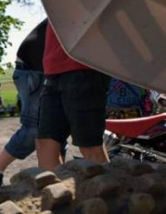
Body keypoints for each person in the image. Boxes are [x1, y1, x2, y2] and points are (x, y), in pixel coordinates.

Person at [0, 19, 58, 186]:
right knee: (33, 128)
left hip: (47, 68)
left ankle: (52, 177)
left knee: (56, 128)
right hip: (33, 70)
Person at [35, 20, 110, 170]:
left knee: (89, 146)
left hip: (85, 67)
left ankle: (107, 192)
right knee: (45, 143)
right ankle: (56, 191)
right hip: (53, 69)